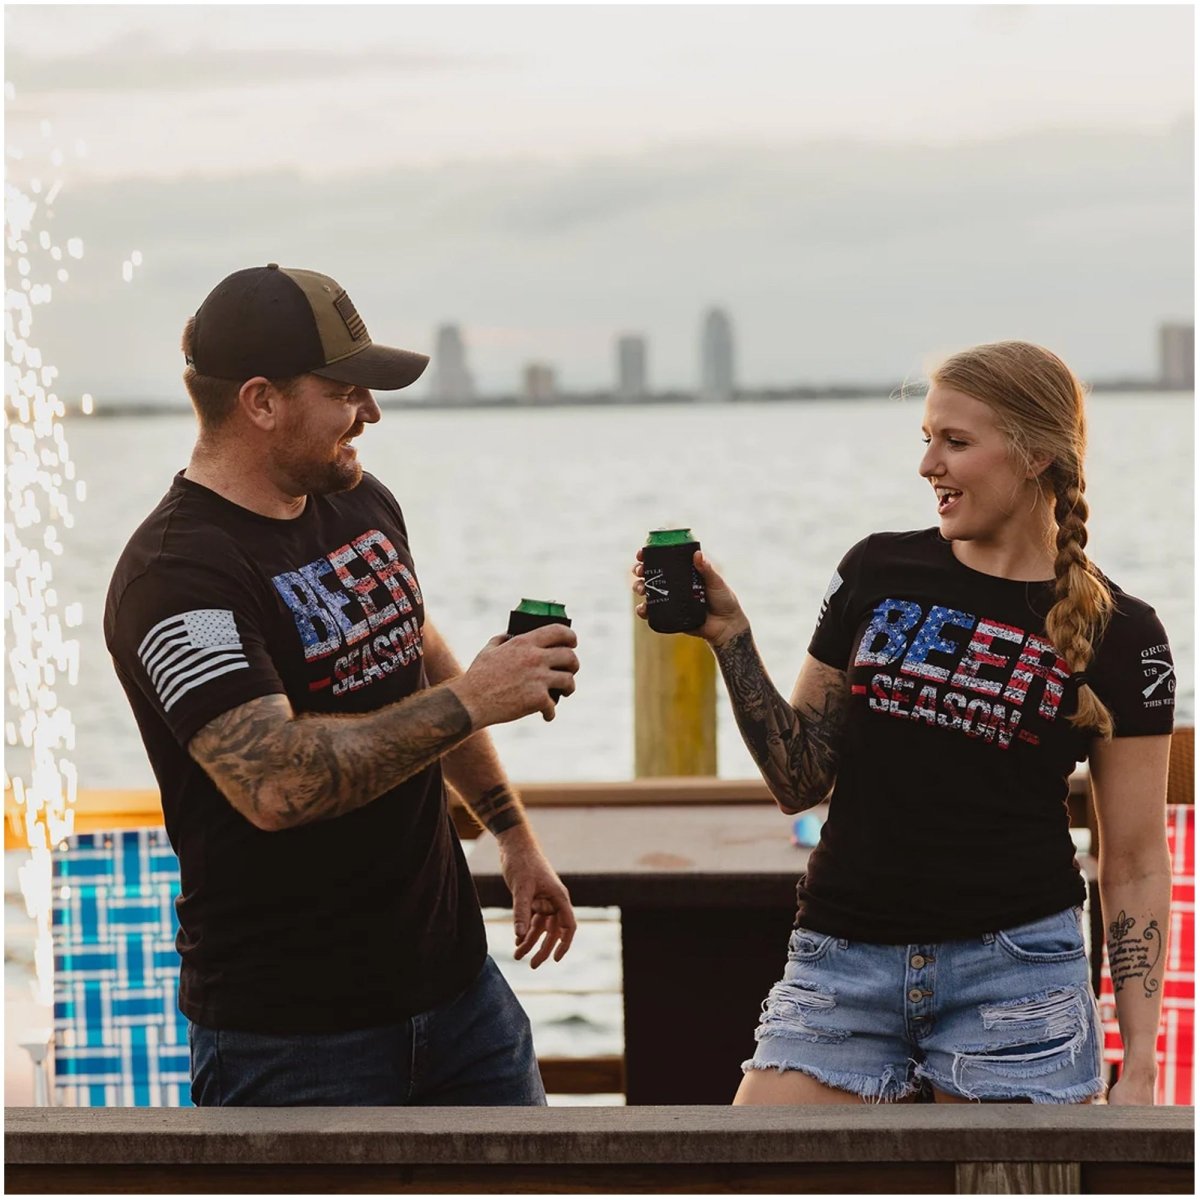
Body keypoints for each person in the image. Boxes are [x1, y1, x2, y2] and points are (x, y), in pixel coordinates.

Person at [633, 341, 1174, 1105]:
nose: (928, 466)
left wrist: (1141, 1063)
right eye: (926, 439)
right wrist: (730, 638)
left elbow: (1137, 862)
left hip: (1016, 974)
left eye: (955, 441)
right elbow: (799, 779)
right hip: (841, 960)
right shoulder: (875, 572)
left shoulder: (1125, 634)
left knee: (1015, 1174)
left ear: (1036, 456)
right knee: (755, 1159)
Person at [104, 263, 581, 1107]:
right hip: (292, 1041)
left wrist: (511, 835)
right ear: (261, 402)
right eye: (345, 392)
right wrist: (478, 696)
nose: (371, 413)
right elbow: (275, 783)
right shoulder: (175, 576)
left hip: (463, 996)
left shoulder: (361, 503)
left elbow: (416, 653)